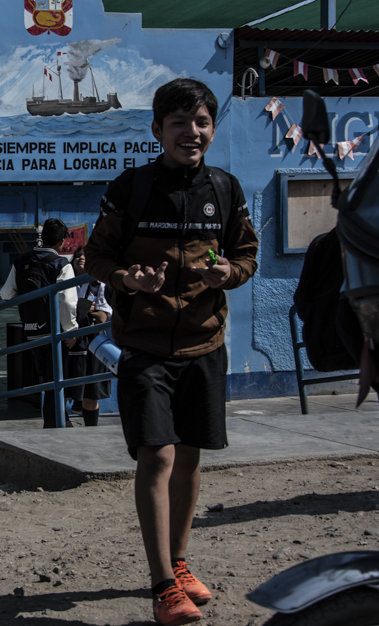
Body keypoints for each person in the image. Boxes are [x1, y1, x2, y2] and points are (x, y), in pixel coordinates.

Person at [84, 78, 259, 626]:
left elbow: (247, 256)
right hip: (144, 346)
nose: (192, 132)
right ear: (157, 129)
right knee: (156, 454)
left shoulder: (226, 189)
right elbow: (95, 258)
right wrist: (127, 279)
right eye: (179, 123)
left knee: (188, 456)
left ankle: (180, 564)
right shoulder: (132, 188)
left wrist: (228, 272)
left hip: (205, 344)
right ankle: (163, 585)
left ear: (212, 128)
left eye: (202, 121)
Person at [0, 218, 78, 428]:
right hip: (54, 332)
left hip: (31, 331)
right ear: (62, 241)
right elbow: (68, 301)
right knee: (58, 379)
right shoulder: (61, 264)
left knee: (46, 379)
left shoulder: (22, 261)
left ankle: (55, 420)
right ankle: (55, 422)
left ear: (42, 239)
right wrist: (70, 331)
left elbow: (6, 294)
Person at [67, 246, 112, 427]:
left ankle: (91, 427)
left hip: (92, 341)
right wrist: (87, 307)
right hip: (69, 340)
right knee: (64, 389)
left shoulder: (99, 284)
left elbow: (102, 317)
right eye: (78, 255)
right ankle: (61, 423)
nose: (81, 258)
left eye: (85, 255)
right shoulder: (65, 282)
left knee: (91, 393)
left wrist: (79, 307)